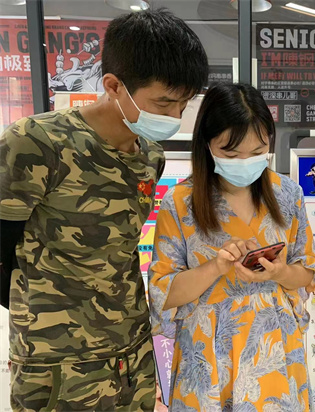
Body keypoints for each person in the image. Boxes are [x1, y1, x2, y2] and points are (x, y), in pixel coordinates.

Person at [0, 9, 208, 411]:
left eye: (184, 104)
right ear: (113, 85)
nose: (175, 117)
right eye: (164, 102)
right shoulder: (37, 143)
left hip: (131, 349)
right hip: (58, 361)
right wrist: (40, 312)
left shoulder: (150, 156)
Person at [148, 82, 315, 411]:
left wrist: (279, 272)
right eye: (231, 154)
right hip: (207, 353)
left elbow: (308, 273)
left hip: (274, 348)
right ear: (207, 144)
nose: (245, 162)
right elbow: (163, 293)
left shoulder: (287, 194)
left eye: (257, 152)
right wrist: (215, 267)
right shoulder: (181, 202)